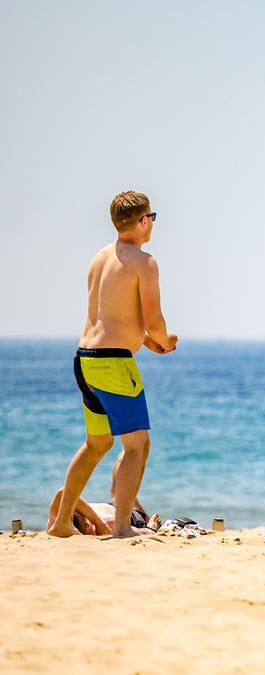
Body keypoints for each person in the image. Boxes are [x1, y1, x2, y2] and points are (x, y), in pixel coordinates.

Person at [47, 191, 177, 538]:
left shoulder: (99, 258)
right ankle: (122, 527)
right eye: (152, 217)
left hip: (85, 359)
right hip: (114, 365)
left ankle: (61, 522)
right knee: (138, 445)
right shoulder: (144, 262)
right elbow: (153, 320)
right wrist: (163, 340)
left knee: (98, 443)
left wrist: (147, 342)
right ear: (144, 221)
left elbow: (112, 318)